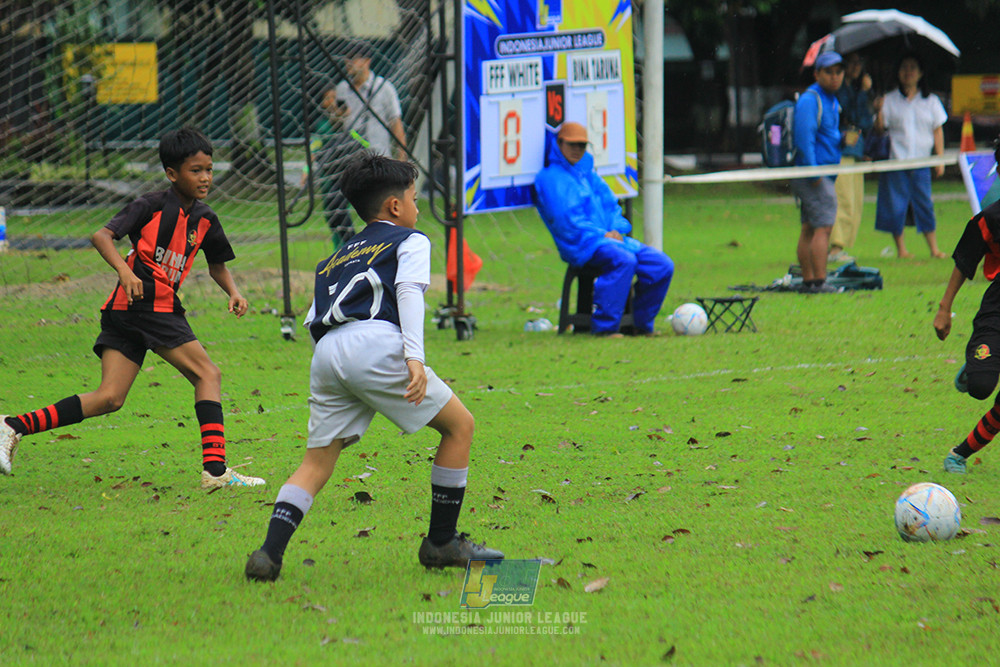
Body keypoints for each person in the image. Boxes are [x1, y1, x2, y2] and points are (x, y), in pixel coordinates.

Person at [245, 151, 503, 581]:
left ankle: (268, 553)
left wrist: (338, 366)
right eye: (415, 200)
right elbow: (408, 292)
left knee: (316, 461)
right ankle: (441, 542)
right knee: (460, 426)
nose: (419, 209)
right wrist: (413, 357)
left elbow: (313, 318)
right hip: (376, 343)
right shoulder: (411, 240)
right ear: (395, 206)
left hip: (327, 351)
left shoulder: (337, 256)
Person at [0, 127, 265, 490]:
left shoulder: (206, 219)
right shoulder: (151, 204)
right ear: (172, 174)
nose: (205, 178)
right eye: (195, 170)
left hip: (126, 311)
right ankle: (216, 472)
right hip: (149, 306)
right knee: (208, 375)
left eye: (209, 169)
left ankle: (13, 426)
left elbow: (217, 264)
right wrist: (124, 270)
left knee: (110, 397)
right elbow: (101, 235)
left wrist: (233, 291)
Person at [533, 121, 674, 336]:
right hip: (582, 245)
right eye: (571, 144)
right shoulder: (550, 179)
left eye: (581, 146)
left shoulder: (587, 173)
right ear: (559, 143)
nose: (576, 150)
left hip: (608, 240)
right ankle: (604, 327)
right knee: (624, 260)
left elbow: (610, 206)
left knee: (661, 265)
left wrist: (616, 230)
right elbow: (567, 223)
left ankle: (641, 323)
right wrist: (603, 235)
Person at [934, 140, 1000, 474]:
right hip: (998, 309)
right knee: (980, 387)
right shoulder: (990, 219)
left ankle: (958, 454)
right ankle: (974, 367)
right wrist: (944, 308)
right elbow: (964, 262)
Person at [874, 52, 948, 259]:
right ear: (897, 73)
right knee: (896, 205)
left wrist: (939, 158)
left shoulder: (931, 101)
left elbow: (937, 130)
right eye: (904, 68)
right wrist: (878, 111)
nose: (908, 72)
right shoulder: (889, 99)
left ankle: (933, 249)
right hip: (896, 161)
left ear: (921, 73)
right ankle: (902, 250)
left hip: (921, 162)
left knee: (924, 204)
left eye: (912, 68)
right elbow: (880, 130)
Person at [790, 50, 844, 294]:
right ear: (817, 74)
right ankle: (819, 282)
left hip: (822, 171)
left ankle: (810, 282)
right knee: (823, 227)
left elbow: (827, 136)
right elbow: (804, 138)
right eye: (829, 72)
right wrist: (814, 173)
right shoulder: (811, 100)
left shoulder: (831, 100)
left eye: (838, 72)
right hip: (812, 173)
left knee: (810, 227)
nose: (835, 77)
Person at [302, 83, 361, 248]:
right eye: (328, 98)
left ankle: (353, 245)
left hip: (345, 174)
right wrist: (306, 170)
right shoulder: (321, 125)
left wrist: (344, 118)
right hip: (328, 174)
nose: (332, 102)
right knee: (331, 213)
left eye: (334, 97)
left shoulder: (347, 120)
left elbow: (358, 139)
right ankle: (339, 249)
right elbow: (313, 147)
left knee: (339, 208)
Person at [829, 52, 874, 264]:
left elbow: (864, 121)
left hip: (856, 150)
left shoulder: (855, 89)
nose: (856, 66)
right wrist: (864, 93)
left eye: (859, 62)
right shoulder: (839, 90)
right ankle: (834, 247)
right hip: (841, 152)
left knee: (855, 202)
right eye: (852, 62)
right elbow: (850, 114)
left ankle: (842, 245)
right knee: (844, 199)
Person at [336, 41, 406, 162]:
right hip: (349, 157)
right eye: (346, 59)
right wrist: (338, 116)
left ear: (367, 61)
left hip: (379, 155)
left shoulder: (384, 87)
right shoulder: (342, 88)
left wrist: (402, 155)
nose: (348, 63)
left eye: (353, 58)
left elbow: (396, 122)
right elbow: (337, 125)